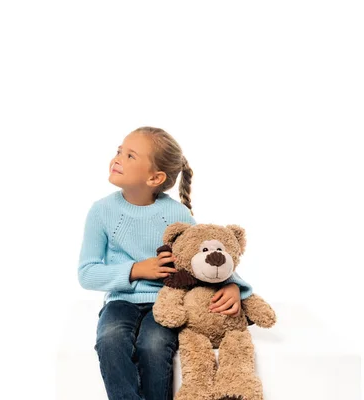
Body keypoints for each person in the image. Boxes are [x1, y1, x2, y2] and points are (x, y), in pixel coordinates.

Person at [78, 127, 253, 400]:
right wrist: (137, 270)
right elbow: (87, 273)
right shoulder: (101, 212)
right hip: (119, 302)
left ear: (155, 177)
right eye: (119, 151)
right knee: (110, 340)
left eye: (130, 155)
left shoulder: (175, 213)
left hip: (166, 303)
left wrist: (234, 287)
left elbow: (203, 255)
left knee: (154, 345)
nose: (117, 159)